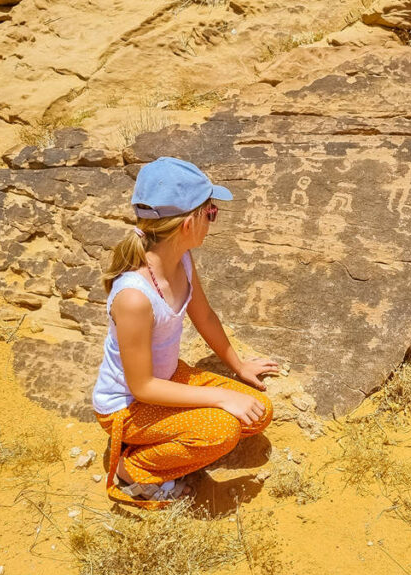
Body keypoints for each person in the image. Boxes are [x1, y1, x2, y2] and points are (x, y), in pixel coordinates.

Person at [93, 157, 278, 507]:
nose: (213, 220)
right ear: (188, 223)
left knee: (259, 410)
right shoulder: (134, 297)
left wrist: (239, 367)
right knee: (223, 429)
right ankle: (133, 472)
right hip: (128, 406)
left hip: (167, 378)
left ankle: (165, 444)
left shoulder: (183, 261)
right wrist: (223, 397)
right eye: (211, 212)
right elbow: (141, 386)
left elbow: (204, 316)